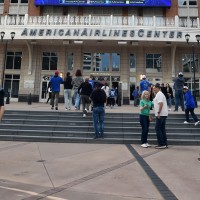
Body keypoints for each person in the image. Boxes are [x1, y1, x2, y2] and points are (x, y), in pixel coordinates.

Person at [153, 83, 168, 149]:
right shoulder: (159, 94)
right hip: (163, 114)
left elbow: (161, 104)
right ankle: (164, 143)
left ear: (158, 88)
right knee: (162, 129)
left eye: (154, 88)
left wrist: (158, 112)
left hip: (161, 114)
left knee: (157, 128)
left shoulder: (159, 94)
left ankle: (162, 144)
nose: (153, 89)